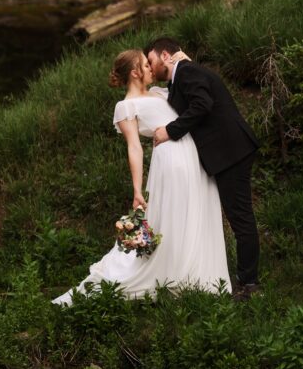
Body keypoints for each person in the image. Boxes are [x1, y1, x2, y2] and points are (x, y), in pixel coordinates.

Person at [52, 49, 231, 306]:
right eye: (146, 65)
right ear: (135, 72)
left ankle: (201, 275)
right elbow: (134, 148)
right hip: (171, 161)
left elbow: (192, 96)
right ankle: (178, 275)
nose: (151, 68)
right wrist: (137, 190)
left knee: (197, 210)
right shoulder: (126, 107)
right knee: (176, 215)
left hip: (193, 155)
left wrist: (186, 64)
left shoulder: (160, 93)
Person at [145, 37, 260, 298]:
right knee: (239, 217)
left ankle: (249, 284)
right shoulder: (180, 77)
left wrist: (169, 132)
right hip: (227, 152)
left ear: (165, 55)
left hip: (232, 152)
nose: (151, 68)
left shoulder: (187, 71)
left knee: (241, 218)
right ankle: (245, 279)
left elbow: (202, 104)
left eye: (151, 62)